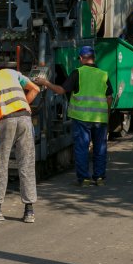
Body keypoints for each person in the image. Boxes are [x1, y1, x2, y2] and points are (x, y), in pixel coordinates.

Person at [34, 46, 113, 187]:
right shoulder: (103, 74)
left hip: (82, 117)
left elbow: (61, 90)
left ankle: (84, 179)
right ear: (93, 58)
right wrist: (107, 117)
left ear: (82, 59)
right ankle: (100, 178)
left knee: (82, 148)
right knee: (100, 148)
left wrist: (45, 83)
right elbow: (109, 98)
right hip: (100, 119)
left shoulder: (78, 73)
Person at [0, 62, 40, 223]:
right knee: (26, 164)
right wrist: (20, 105)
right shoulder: (12, 73)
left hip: (5, 122)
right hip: (25, 117)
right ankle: (29, 211)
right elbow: (36, 89)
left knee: (1, 166)